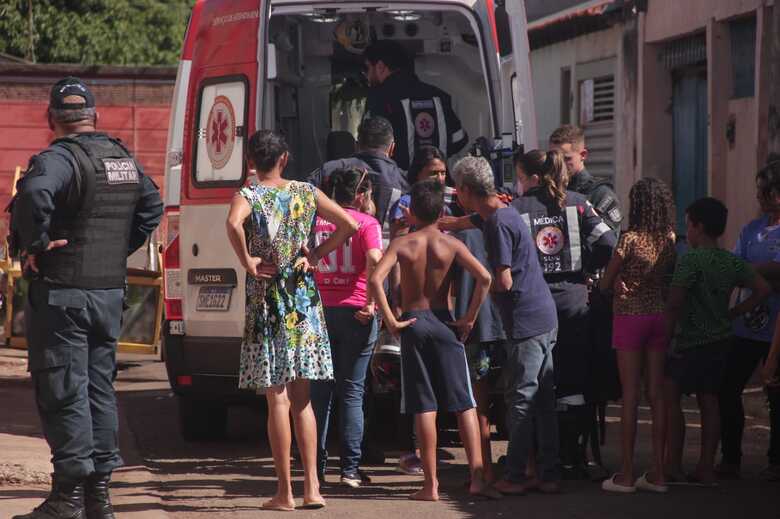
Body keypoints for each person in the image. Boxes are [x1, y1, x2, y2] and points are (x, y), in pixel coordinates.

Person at [8, 77, 163, 519]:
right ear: (95, 116)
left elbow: (36, 193)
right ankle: (99, 499)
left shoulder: (57, 159)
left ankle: (67, 501)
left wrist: (36, 245)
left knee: (64, 390)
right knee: (99, 391)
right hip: (108, 295)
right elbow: (151, 206)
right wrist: (116, 249)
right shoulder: (121, 158)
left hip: (65, 296)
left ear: (50, 119)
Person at [226, 130, 358, 511]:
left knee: (276, 400)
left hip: (267, 299)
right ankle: (313, 487)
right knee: (304, 401)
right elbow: (348, 224)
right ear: (284, 158)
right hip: (302, 300)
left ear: (251, 160)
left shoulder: (248, 195)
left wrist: (248, 261)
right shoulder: (305, 192)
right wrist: (315, 255)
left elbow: (234, 224)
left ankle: (284, 492)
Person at [367, 179, 499, 501]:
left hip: (414, 324)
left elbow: (374, 278)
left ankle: (431, 485)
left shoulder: (402, 244)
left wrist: (391, 320)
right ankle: (477, 478)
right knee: (464, 403)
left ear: (410, 212)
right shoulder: (450, 244)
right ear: (441, 212)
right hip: (443, 322)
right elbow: (485, 277)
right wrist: (468, 317)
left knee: (424, 406)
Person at [453, 156, 561, 496]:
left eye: (457, 189)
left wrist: (480, 282)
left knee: (522, 400)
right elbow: (465, 221)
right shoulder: (498, 211)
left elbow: (504, 281)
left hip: (526, 323)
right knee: (542, 401)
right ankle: (548, 473)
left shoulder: (498, 222)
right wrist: (436, 222)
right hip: (543, 318)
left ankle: (514, 475)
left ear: (467, 190)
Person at [511, 150, 615, 479]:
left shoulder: (517, 208)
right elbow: (609, 243)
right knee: (572, 383)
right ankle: (573, 455)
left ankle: (535, 459)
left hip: (532, 304)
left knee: (532, 385)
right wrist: (588, 269)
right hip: (573, 303)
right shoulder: (579, 203)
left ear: (531, 176)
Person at [663, 197, 770, 486]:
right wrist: (734, 312)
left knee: (671, 399)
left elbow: (674, 303)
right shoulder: (731, 261)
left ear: (698, 226)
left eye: (689, 225)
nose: (689, 232)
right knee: (709, 402)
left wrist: (665, 337)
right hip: (721, 340)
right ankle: (706, 467)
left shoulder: (690, 260)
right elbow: (762, 288)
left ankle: (672, 465)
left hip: (687, 342)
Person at [599, 178, 677, 493]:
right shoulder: (669, 239)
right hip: (659, 318)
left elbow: (605, 283)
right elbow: (669, 277)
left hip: (630, 318)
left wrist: (616, 283)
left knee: (630, 395)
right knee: (656, 395)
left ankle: (628, 474)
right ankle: (658, 473)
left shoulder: (629, 240)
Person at [310, 168, 383, 488]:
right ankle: (350, 470)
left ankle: (317, 469)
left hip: (320, 310)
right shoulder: (367, 223)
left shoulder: (316, 220)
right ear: (360, 195)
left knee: (320, 394)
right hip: (357, 313)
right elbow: (376, 259)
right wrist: (371, 301)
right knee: (352, 392)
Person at [718, 156, 780, 481]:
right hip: (745, 327)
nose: (758, 198)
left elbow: (754, 270)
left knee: (776, 396)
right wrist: (759, 274)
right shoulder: (752, 230)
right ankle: (731, 458)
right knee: (728, 389)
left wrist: (751, 272)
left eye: (764, 192)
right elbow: (733, 268)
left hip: (776, 331)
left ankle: (776, 460)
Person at [451, 226, 507, 484]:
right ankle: (527, 467)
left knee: (477, 403)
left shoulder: (460, 237)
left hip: (474, 326)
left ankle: (483, 470)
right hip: (507, 324)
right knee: (520, 400)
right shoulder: (506, 227)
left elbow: (450, 289)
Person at [363, 40, 468, 170]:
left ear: (380, 66)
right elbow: (459, 140)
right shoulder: (439, 96)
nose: (367, 76)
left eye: (367, 68)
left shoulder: (379, 99)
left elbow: (369, 148)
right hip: (438, 185)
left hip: (398, 186)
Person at [307, 116, 408, 229]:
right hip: (386, 246)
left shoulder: (328, 170)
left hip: (332, 245)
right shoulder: (404, 181)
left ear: (355, 145)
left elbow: (301, 202)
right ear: (392, 148)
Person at [548, 124, 621, 232]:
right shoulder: (549, 191)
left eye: (567, 159)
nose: (560, 165)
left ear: (583, 155)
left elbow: (609, 242)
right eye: (554, 159)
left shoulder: (600, 194)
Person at [390, 145, 462, 237]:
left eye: (443, 173)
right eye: (433, 173)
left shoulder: (457, 197)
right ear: (418, 173)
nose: (439, 178)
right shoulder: (405, 203)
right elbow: (399, 243)